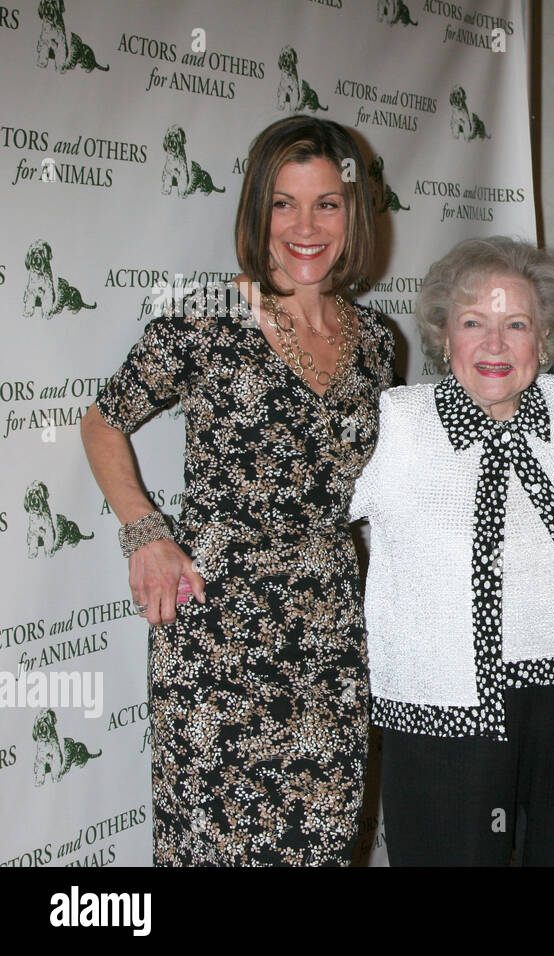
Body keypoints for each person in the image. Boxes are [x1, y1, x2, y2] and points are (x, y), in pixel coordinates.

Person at [81, 115, 394, 865]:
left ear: (355, 214)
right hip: (220, 624)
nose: (306, 225)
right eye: (284, 203)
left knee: (320, 839)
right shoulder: (208, 318)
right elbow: (102, 422)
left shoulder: (378, 340)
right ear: (257, 212)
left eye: (328, 203)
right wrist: (145, 532)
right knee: (222, 843)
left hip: (327, 621)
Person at [350, 237, 554, 865]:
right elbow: (299, 512)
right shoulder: (399, 422)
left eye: (516, 324)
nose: (495, 344)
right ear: (444, 336)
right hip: (445, 706)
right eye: (474, 323)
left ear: (544, 341)